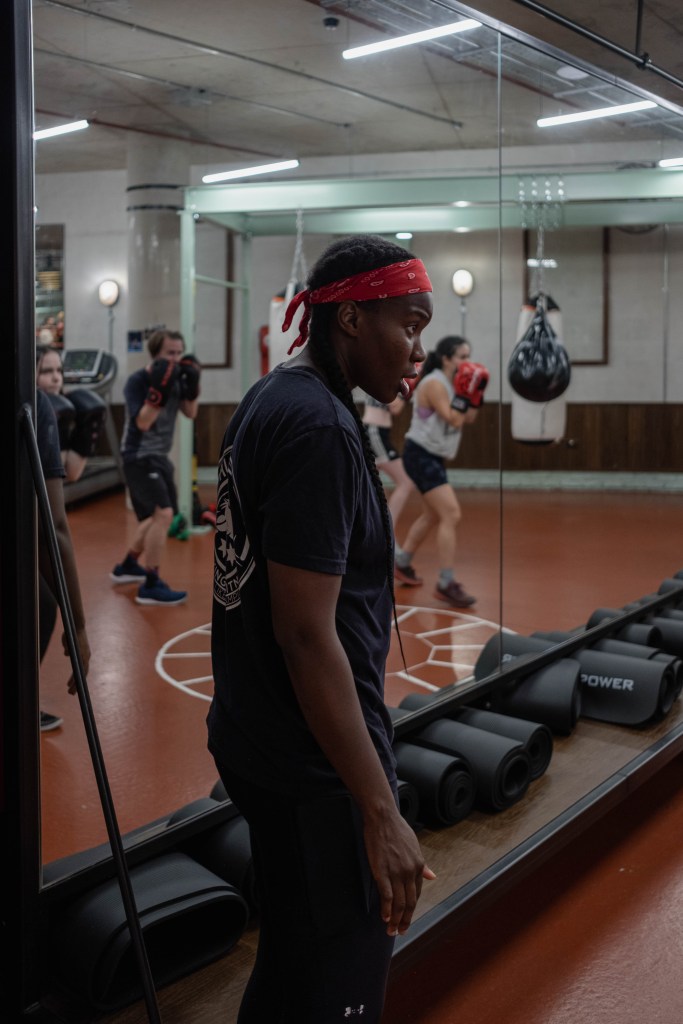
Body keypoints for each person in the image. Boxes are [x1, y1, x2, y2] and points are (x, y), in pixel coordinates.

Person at [208, 234, 436, 1023]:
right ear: (348, 319)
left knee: (294, 960)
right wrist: (378, 808)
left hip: (259, 733)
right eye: (407, 323)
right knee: (340, 972)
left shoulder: (278, 396)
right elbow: (306, 636)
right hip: (315, 764)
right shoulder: (318, 430)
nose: (417, 347)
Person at [396, 335, 489, 609]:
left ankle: (402, 563)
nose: (466, 361)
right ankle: (446, 582)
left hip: (432, 455)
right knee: (451, 513)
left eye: (468, 355)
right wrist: (465, 395)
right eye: (461, 356)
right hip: (420, 454)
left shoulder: (452, 383)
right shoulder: (435, 383)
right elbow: (452, 417)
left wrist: (475, 395)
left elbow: (467, 419)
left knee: (433, 514)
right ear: (447, 358)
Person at [111, 329, 200, 605]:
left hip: (159, 456)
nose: (175, 359)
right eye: (169, 354)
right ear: (156, 355)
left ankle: (127, 565)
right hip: (138, 455)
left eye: (178, 353)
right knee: (164, 515)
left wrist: (193, 385)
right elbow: (143, 423)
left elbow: (190, 413)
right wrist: (159, 389)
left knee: (153, 518)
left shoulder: (177, 377)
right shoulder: (138, 381)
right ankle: (151, 583)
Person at [36, 388, 91, 731]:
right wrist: (79, 628)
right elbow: (52, 525)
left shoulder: (47, 409)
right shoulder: (33, 399)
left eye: (59, 372)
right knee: (40, 603)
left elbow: (73, 472)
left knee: (43, 600)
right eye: (46, 371)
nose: (53, 380)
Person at [361, 393, 421, 586]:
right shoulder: (386, 371)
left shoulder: (383, 370)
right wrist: (408, 390)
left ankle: (379, 539)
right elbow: (396, 408)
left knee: (373, 488)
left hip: (375, 430)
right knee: (405, 482)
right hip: (375, 431)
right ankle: (388, 534)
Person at [36, 344, 106, 483]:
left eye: (59, 370)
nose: (56, 378)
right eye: (46, 371)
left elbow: (70, 474)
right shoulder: (23, 414)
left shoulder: (63, 408)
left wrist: (86, 430)